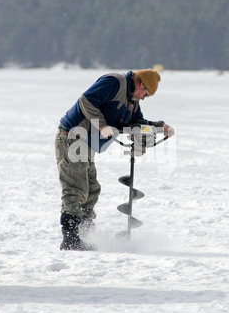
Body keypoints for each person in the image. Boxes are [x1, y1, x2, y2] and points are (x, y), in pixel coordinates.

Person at [55, 69, 174, 251]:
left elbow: (135, 122)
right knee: (76, 189)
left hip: (86, 143)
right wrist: (102, 124)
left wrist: (159, 127)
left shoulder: (132, 100)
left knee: (91, 190)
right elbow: (86, 100)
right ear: (141, 84)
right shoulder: (115, 82)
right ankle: (71, 240)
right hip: (72, 136)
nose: (143, 98)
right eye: (146, 94)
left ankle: (85, 233)